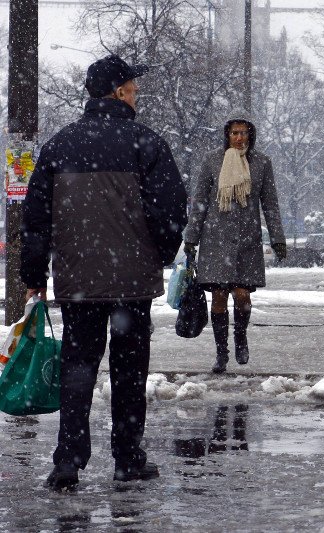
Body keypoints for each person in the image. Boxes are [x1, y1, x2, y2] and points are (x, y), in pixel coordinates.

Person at [20, 54, 187, 490]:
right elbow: (171, 209)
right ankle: (127, 458)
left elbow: (36, 219)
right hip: (131, 283)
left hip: (79, 282)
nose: (137, 94)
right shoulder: (146, 143)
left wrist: (35, 275)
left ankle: (68, 462)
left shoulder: (59, 145)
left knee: (78, 368)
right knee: (129, 371)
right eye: (132, 87)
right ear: (118, 92)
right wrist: (160, 253)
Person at [183, 110, 287, 374]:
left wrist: (277, 238)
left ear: (250, 135)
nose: (239, 138)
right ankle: (221, 353)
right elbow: (200, 202)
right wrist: (191, 238)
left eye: (244, 133)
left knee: (242, 297)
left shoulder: (261, 163)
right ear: (227, 136)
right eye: (234, 133)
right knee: (218, 297)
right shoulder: (212, 161)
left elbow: (270, 204)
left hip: (247, 240)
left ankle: (240, 337)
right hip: (215, 240)